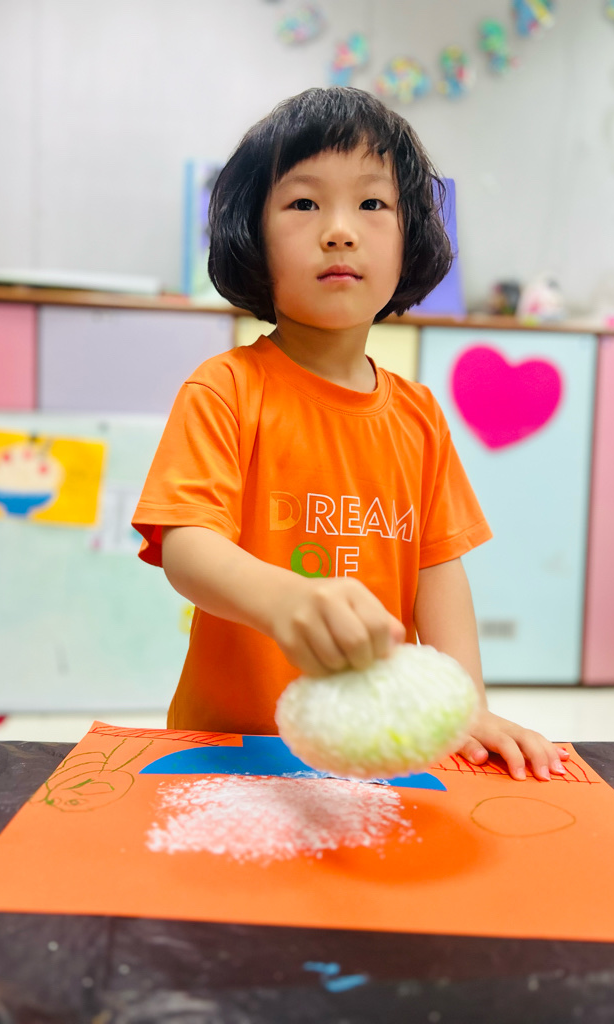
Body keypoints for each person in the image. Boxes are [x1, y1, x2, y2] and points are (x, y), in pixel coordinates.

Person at [132, 86, 569, 782]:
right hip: (229, 751)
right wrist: (288, 601)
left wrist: (466, 707)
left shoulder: (419, 416)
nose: (340, 230)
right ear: (251, 234)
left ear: (409, 237)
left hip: (371, 756)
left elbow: (437, 574)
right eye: (304, 204)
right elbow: (187, 549)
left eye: (372, 204)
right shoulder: (226, 388)